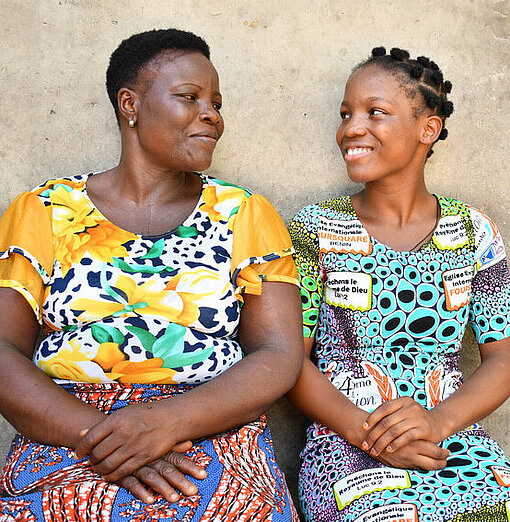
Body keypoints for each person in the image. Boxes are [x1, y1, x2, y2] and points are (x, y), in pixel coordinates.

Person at [0, 29, 303, 521]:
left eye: (216, 103)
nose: (212, 116)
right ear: (130, 104)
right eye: (190, 97)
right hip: (67, 427)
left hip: (212, 426)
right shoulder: (44, 211)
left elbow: (279, 353)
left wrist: (166, 422)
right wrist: (102, 437)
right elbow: (2, 351)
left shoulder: (244, 213)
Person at [287, 47, 510, 522]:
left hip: (453, 440)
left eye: (376, 112)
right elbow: (288, 360)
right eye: (346, 114)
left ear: (427, 130)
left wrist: (437, 422)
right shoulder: (315, 229)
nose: (351, 128)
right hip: (347, 441)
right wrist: (372, 435)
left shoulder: (474, 232)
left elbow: (504, 357)